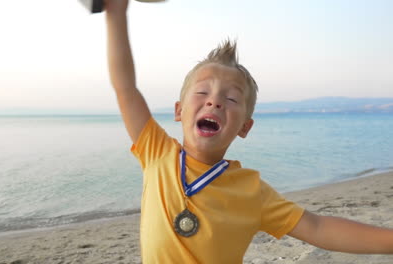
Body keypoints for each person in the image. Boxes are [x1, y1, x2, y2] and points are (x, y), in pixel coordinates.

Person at [103, 0, 393, 262]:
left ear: (244, 126)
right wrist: (116, 14)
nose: (214, 101)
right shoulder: (157, 153)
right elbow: (125, 88)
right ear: (179, 111)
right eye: (202, 92)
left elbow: (317, 227)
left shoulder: (252, 192)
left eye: (230, 99)